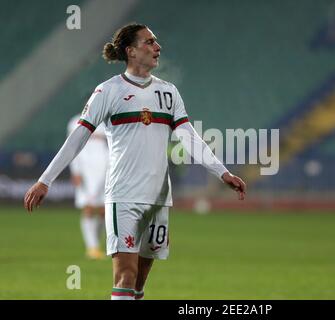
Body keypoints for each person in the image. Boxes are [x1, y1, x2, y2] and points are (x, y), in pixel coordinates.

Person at [24, 23, 246, 300]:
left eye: (156, 41)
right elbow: (77, 139)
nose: (157, 47)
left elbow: (190, 138)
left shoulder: (169, 93)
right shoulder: (108, 91)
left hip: (158, 198)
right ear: (130, 51)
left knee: (140, 280)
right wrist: (45, 180)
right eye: (149, 42)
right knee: (125, 275)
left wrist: (222, 172)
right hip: (124, 195)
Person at [67, 113, 109, 259]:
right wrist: (75, 170)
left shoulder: (107, 122)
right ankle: (91, 247)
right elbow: (72, 147)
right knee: (89, 208)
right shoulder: (75, 122)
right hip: (86, 171)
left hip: (105, 170)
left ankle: (97, 246)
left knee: (105, 210)